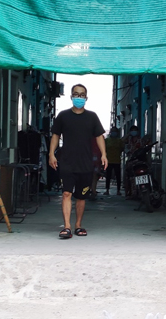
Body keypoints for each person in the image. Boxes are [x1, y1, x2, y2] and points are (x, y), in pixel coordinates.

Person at [49, 83, 107, 238]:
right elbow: (55, 135)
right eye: (76, 94)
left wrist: (104, 154)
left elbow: (99, 136)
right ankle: (67, 227)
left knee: (81, 197)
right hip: (67, 162)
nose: (79, 97)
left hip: (85, 163)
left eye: (82, 95)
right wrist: (51, 154)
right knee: (66, 193)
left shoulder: (92, 117)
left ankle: (78, 225)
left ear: (86, 98)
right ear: (71, 96)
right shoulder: (63, 116)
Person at [104, 127, 125, 194]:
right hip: (109, 160)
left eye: (115, 131)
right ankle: (107, 190)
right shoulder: (107, 140)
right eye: (112, 131)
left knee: (118, 176)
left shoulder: (119, 141)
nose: (113, 133)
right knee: (108, 176)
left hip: (117, 160)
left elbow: (122, 148)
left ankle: (118, 190)